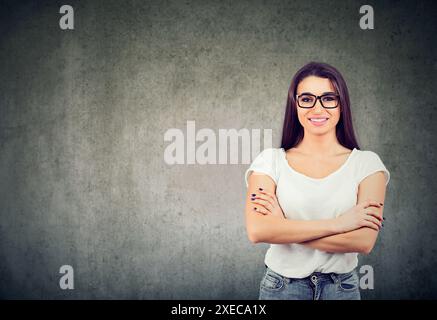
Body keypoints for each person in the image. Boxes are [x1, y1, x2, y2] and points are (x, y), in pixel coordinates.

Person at [244, 62, 390, 300]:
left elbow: (363, 241)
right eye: (307, 99)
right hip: (282, 288)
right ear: (295, 104)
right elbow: (258, 230)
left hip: (341, 289)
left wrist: (284, 226)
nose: (318, 108)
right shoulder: (270, 161)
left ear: (341, 104)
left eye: (328, 98)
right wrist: (341, 223)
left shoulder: (367, 164)